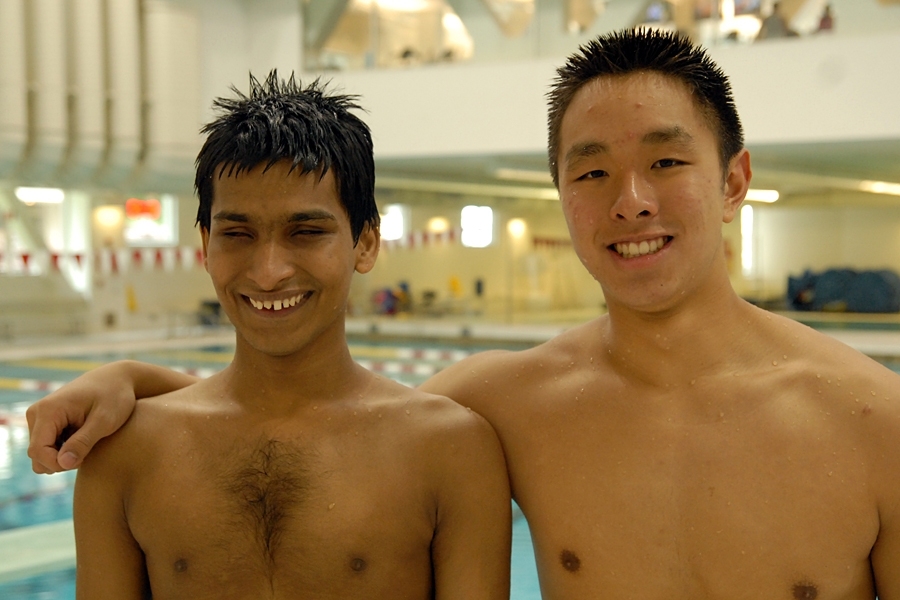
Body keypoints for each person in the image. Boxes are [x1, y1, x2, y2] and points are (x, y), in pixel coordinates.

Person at [28, 29, 900, 598]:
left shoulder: (875, 424)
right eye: (591, 172)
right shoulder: (511, 401)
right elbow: (301, 421)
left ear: (734, 181)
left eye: (667, 162)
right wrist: (129, 380)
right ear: (562, 195)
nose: (630, 202)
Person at [63, 72, 511, 599]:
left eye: (306, 232)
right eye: (237, 234)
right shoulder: (124, 455)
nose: (269, 271)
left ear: (365, 242)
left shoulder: (450, 451)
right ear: (206, 244)